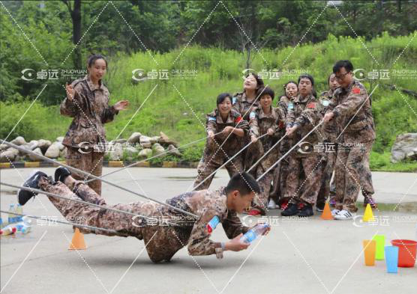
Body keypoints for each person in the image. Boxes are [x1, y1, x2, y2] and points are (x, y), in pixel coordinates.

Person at [18, 169, 270, 263]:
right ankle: (44, 182)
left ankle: (69, 181)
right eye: (249, 201)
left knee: (102, 209)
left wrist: (253, 232)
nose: (250, 207)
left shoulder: (225, 204)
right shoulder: (214, 207)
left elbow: (236, 231)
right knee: (85, 219)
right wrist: (228, 246)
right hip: (146, 220)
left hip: (152, 223)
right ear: (236, 194)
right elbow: (195, 247)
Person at [61, 54, 129, 195]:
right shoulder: (79, 86)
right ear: (89, 67)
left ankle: (93, 216)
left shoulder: (104, 91)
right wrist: (70, 99)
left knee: (95, 188)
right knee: (76, 183)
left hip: (97, 145)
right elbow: (67, 112)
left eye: (103, 68)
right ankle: (73, 214)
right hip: (79, 143)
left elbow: (101, 118)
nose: (100, 71)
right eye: (97, 67)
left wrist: (113, 109)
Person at [323, 60, 376, 220]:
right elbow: (330, 106)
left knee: (351, 166)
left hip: (363, 136)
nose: (339, 80)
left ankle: (349, 207)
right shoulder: (338, 92)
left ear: (351, 73)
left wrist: (334, 113)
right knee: (339, 168)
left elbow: (350, 104)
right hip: (346, 136)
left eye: (342, 76)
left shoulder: (358, 88)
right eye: (337, 77)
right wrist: (327, 113)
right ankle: (339, 205)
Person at [281, 74, 324, 217]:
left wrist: (294, 127)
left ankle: (307, 204)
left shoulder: (314, 102)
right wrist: (288, 126)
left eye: (307, 83)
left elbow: (306, 116)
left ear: (311, 86)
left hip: (310, 144)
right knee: (292, 174)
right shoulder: (293, 101)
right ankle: (292, 202)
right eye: (301, 83)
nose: (304, 85)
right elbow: (290, 114)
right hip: (295, 143)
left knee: (311, 175)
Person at [194, 93, 249, 190]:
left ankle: (241, 204)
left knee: (240, 181)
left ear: (231, 104)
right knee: (201, 181)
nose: (225, 106)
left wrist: (232, 129)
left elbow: (243, 132)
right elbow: (210, 125)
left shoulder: (236, 116)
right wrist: (210, 133)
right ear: (217, 105)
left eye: (228, 103)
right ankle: (192, 202)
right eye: (222, 103)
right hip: (214, 153)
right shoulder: (212, 115)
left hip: (232, 154)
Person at [247, 87, 285, 215]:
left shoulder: (278, 112)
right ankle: (248, 203)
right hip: (256, 148)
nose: (266, 100)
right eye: (263, 98)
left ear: (272, 99)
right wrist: (253, 135)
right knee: (251, 175)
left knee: (264, 175)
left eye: (268, 97)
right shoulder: (254, 112)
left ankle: (259, 206)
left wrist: (274, 129)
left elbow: (282, 125)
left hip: (271, 150)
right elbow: (253, 124)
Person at [272, 81, 299, 209]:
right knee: (281, 169)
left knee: (292, 170)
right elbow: (283, 119)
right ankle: (276, 197)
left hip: (297, 141)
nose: (291, 90)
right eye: (288, 88)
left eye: (293, 88)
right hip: (284, 140)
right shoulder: (282, 103)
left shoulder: (300, 102)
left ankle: (290, 198)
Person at [316, 73, 340, 212]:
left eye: (337, 80)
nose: (335, 83)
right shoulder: (324, 97)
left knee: (341, 170)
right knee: (327, 169)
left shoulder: (346, 95)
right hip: (327, 138)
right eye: (332, 80)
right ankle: (321, 200)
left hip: (343, 138)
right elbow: (320, 112)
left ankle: (335, 197)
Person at [233, 73, 265, 172]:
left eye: (252, 80)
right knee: (237, 171)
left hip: (254, 139)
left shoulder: (261, 100)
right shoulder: (236, 97)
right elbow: (234, 114)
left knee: (252, 171)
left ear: (258, 85)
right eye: (247, 78)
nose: (247, 80)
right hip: (238, 138)